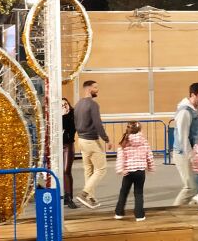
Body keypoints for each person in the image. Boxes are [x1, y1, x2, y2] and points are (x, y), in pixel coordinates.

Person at [73, 80, 110, 208]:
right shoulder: (93, 105)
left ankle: (91, 198)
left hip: (81, 141)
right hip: (91, 141)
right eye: (95, 87)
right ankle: (84, 194)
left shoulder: (78, 104)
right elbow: (97, 123)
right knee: (101, 169)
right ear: (88, 89)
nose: (97, 90)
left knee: (89, 170)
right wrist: (106, 139)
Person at [172, 82, 198, 206]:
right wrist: (191, 155)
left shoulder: (197, 110)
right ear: (193, 95)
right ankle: (174, 212)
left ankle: (191, 209)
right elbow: (183, 136)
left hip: (195, 152)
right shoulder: (184, 112)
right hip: (183, 153)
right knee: (191, 187)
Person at [113, 121, 155, 222]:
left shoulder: (125, 141)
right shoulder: (144, 141)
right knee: (139, 193)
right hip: (140, 171)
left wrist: (120, 169)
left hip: (128, 172)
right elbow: (149, 155)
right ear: (139, 130)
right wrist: (151, 167)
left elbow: (121, 157)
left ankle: (119, 213)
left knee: (124, 192)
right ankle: (139, 215)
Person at [61, 97, 78, 209]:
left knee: (66, 170)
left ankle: (69, 197)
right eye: (62, 105)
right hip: (57, 146)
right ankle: (61, 195)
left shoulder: (72, 115)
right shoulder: (56, 115)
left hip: (68, 145)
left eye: (66, 104)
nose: (64, 106)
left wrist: (65, 115)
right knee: (57, 172)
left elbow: (72, 129)